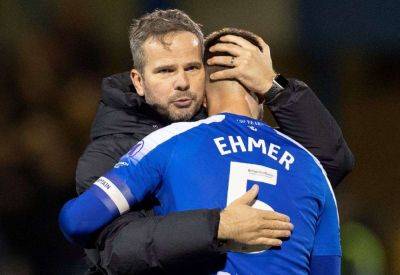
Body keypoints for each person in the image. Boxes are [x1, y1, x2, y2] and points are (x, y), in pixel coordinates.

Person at [74, 9, 354, 274]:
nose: (182, 82)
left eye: (192, 68)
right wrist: (216, 225)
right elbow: (114, 251)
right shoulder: (111, 151)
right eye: (165, 71)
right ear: (138, 80)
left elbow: (329, 159)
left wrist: (274, 86)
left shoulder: (213, 135)